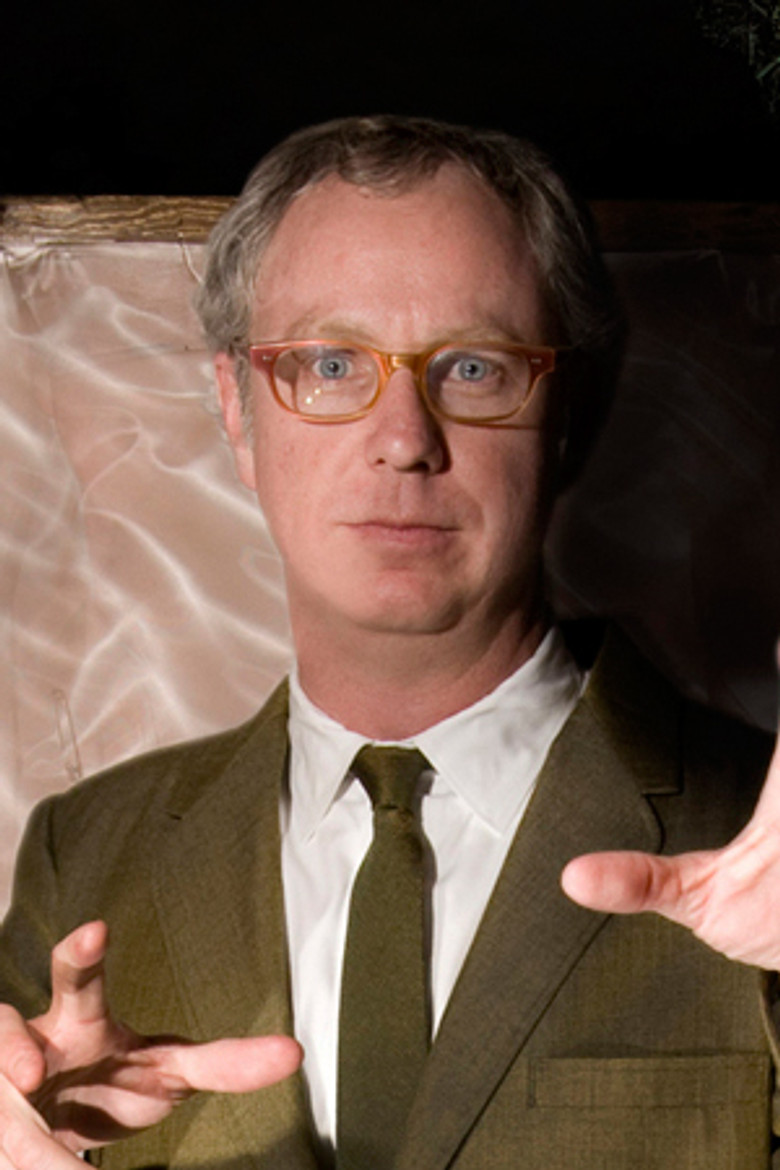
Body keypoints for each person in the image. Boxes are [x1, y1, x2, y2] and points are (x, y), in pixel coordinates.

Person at [0, 114, 777, 1169]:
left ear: (571, 413)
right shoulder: (86, 856)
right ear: (236, 409)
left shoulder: (753, 831)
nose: (406, 440)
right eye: (330, 364)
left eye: (475, 368)